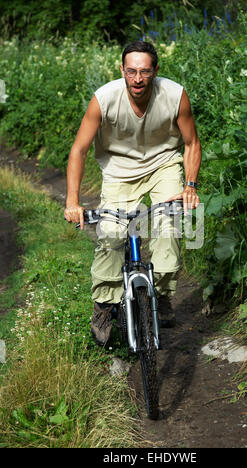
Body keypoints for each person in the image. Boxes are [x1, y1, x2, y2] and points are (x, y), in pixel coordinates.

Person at [64, 41, 202, 346]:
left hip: (163, 166)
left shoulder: (175, 96)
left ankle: (162, 295)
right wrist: (72, 201)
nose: (137, 78)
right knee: (111, 235)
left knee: (170, 228)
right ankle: (103, 305)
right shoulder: (104, 99)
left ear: (155, 71)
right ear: (122, 70)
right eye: (131, 71)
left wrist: (190, 187)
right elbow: (79, 150)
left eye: (144, 71)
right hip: (118, 173)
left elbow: (191, 143)